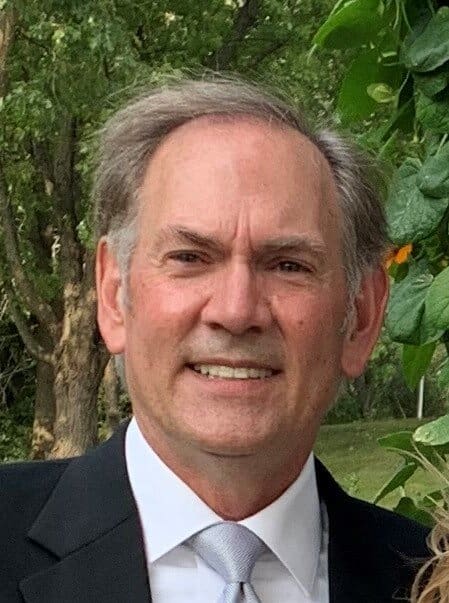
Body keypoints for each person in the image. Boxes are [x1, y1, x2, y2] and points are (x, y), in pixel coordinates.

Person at [1, 76, 429, 603]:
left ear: (360, 316)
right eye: (190, 258)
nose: (235, 311)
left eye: (288, 265)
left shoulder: (427, 579)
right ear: (113, 296)